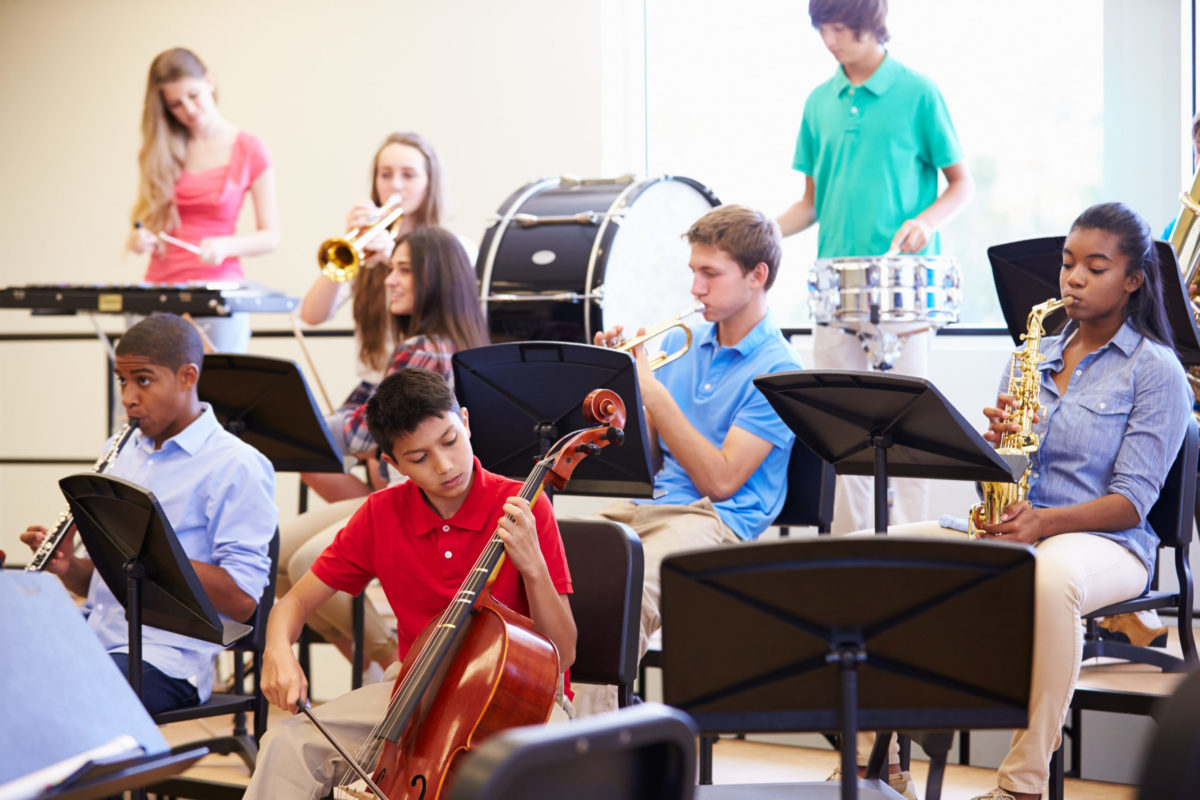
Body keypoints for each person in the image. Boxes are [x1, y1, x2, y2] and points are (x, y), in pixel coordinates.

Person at [876, 203, 1191, 800]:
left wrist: (1041, 522)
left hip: (1109, 544)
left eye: (1095, 267)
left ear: (1133, 281)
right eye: (1068, 263)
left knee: (1052, 579)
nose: (1072, 278)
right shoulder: (1031, 355)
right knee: (879, 553)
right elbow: (995, 487)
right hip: (1024, 528)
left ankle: (1021, 785)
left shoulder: (1156, 371)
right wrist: (992, 455)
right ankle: (879, 764)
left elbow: (1131, 502)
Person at [243, 368, 575, 799]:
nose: (444, 465)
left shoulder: (523, 506)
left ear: (467, 422)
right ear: (392, 463)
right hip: (416, 692)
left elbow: (564, 652)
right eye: (418, 458)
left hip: (523, 699)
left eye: (450, 440)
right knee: (287, 743)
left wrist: (533, 566)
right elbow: (293, 604)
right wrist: (278, 651)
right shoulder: (381, 514)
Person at [572, 204, 803, 717]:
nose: (696, 289)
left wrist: (653, 393)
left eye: (710, 274)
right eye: (693, 273)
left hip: (714, 523)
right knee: (545, 574)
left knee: (616, 605)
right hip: (648, 507)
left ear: (757, 276)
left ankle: (579, 758)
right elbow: (649, 460)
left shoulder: (779, 371)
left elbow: (720, 481)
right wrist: (624, 388)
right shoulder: (688, 346)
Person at [776, 0, 973, 535]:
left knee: (913, 430)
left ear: (872, 26)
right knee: (841, 433)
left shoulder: (918, 92)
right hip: (835, 291)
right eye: (824, 29)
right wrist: (765, 230)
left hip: (903, 291)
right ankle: (851, 556)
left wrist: (927, 223)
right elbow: (811, 202)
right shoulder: (819, 102)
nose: (832, 40)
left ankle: (918, 553)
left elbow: (962, 184)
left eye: (843, 29)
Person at [19, 313, 277, 715]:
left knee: (60, 700)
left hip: (168, 660)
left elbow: (243, 600)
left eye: (143, 380)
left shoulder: (235, 463)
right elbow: (117, 586)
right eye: (122, 380)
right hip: (95, 638)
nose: (127, 397)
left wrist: (153, 561)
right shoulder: (121, 450)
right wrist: (70, 567)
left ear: (188, 376)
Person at [279, 226, 489, 679]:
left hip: (417, 495)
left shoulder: (424, 348)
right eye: (391, 268)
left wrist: (294, 425)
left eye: (404, 271)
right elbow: (363, 412)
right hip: (398, 489)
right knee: (278, 554)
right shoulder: (440, 339)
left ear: (437, 280)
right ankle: (378, 671)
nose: (389, 280)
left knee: (299, 563)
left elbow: (358, 432)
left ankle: (391, 660)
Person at [298, 132, 468, 503]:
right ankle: (365, 522)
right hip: (373, 388)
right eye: (385, 174)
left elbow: (438, 312)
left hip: (422, 389)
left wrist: (393, 256)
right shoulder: (364, 245)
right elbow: (311, 314)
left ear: (429, 182)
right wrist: (352, 241)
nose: (395, 185)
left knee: (386, 467)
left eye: (408, 175)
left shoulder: (451, 247)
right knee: (306, 452)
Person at [126, 48, 279, 354]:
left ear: (209, 82)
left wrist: (225, 246)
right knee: (145, 395)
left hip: (217, 292)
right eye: (175, 104)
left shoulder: (249, 148)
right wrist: (139, 239)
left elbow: (271, 236)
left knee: (220, 391)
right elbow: (147, 222)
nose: (188, 110)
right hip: (161, 288)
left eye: (193, 96)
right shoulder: (157, 151)